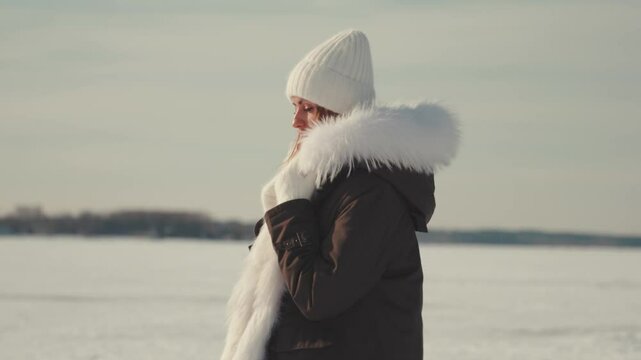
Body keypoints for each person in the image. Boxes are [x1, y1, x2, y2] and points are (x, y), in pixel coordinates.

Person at [220, 29, 459, 360]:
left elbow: (317, 296)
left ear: (337, 114)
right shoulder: (318, 188)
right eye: (294, 106)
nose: (295, 121)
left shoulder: (371, 195)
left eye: (308, 108)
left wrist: (290, 211)